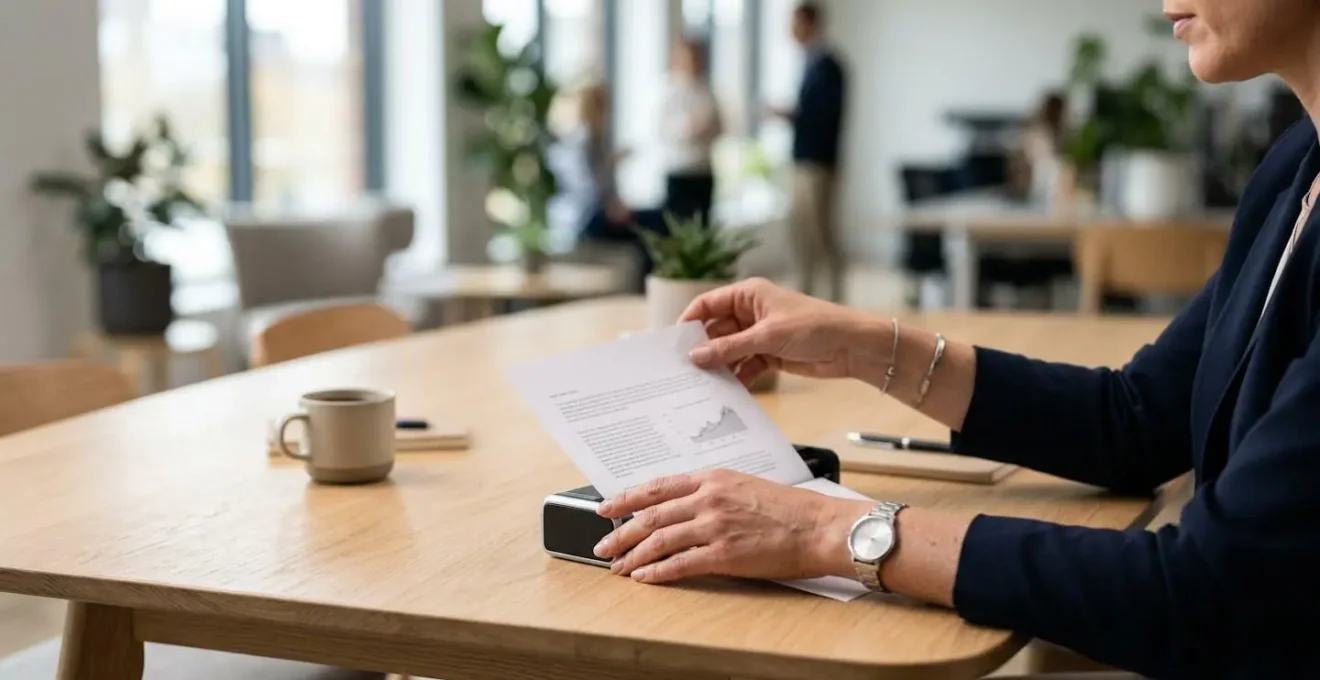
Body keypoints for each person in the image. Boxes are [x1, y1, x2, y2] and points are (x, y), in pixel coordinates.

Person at [592, 1, 1320, 676]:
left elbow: (1208, 591)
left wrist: (832, 532)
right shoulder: (1295, 165)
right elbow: (1135, 420)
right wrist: (866, 345)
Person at [767, 1, 847, 302]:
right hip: (802, 160)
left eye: (795, 23)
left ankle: (833, 299)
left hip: (818, 163)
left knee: (819, 233)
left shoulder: (829, 65)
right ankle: (806, 296)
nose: (790, 30)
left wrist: (793, 114)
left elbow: (825, 115)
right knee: (800, 231)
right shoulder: (809, 63)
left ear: (810, 24)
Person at [549, 83, 664, 290]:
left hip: (601, 212)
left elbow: (608, 189)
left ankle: (651, 288)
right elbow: (586, 189)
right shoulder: (581, 143)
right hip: (586, 219)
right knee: (651, 228)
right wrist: (611, 166)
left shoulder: (599, 141)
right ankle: (647, 290)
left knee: (657, 220)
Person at [661, 39, 723, 225]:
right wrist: (687, 127)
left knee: (703, 224)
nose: (693, 63)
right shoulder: (667, 91)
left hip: (703, 169)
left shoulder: (707, 91)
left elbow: (721, 128)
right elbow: (660, 130)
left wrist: (707, 128)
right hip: (679, 169)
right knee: (678, 225)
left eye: (696, 58)